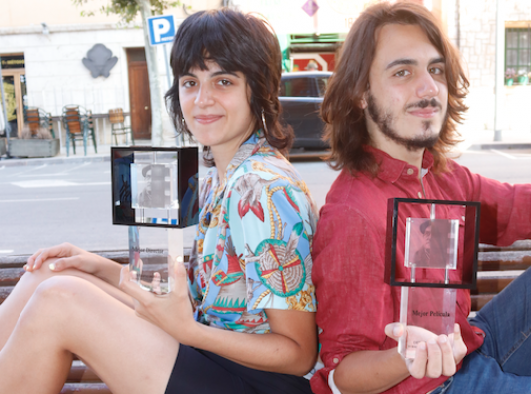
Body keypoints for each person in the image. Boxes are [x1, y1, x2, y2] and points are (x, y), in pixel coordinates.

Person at [0, 9, 318, 394]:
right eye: (190, 82)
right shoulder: (224, 174)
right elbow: (195, 304)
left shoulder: (262, 187)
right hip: (211, 358)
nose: (202, 100)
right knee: (50, 274)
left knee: (58, 299)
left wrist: (185, 330)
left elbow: (299, 354)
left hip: (254, 382)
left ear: (259, 90)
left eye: (223, 81)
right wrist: (99, 267)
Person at [310, 2, 531, 394]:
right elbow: (343, 377)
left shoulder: (439, 177)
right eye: (403, 72)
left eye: (436, 70)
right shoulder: (353, 214)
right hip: (425, 387)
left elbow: (523, 207)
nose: (428, 88)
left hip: (466, 350)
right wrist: (407, 358)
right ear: (360, 93)